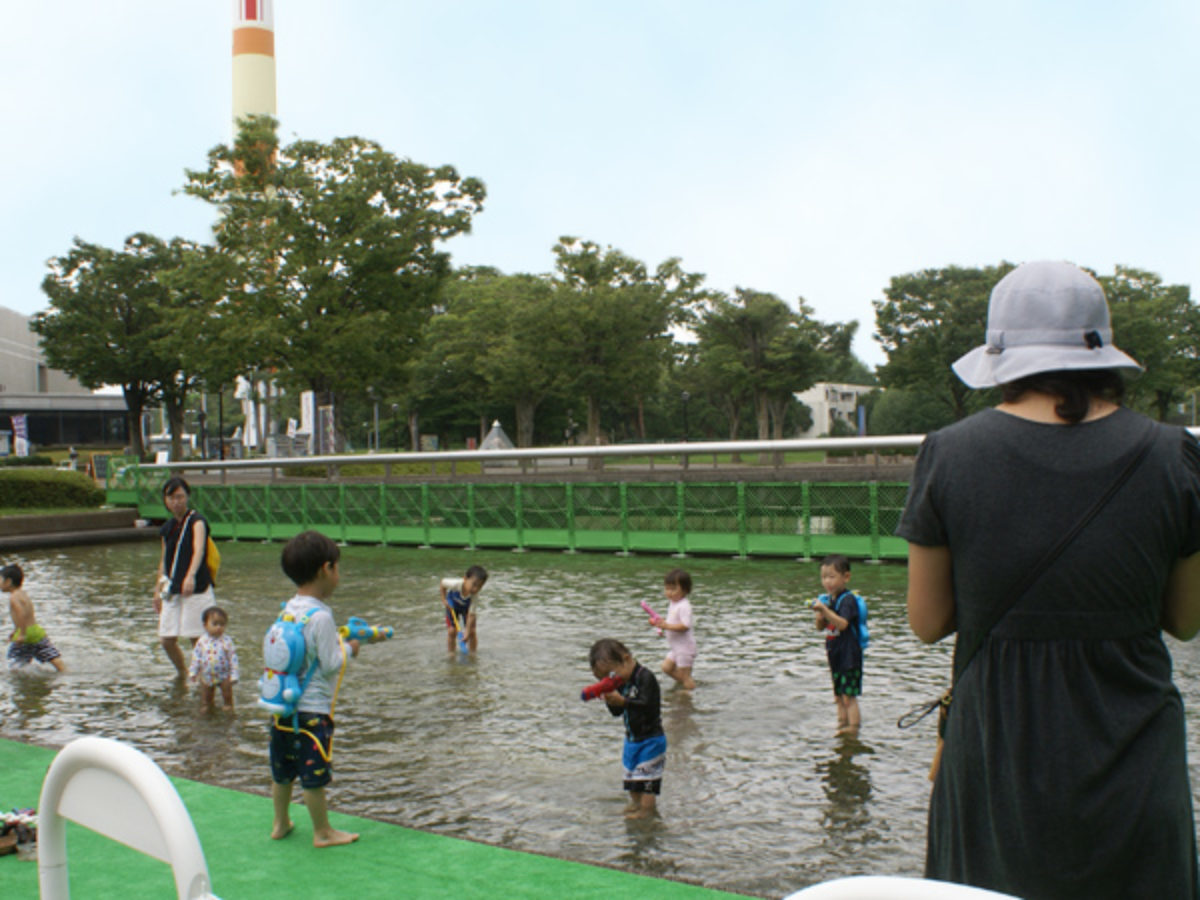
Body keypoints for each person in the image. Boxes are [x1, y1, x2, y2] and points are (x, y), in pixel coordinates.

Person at [896, 260, 1200, 898]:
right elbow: (1185, 618)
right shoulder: (1176, 456)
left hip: (998, 747)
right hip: (1134, 750)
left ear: (1001, 355)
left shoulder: (950, 453)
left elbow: (926, 623)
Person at [269, 530, 376, 848]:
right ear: (325, 569)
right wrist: (352, 647)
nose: (338, 575)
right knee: (313, 775)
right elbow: (331, 663)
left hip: (282, 707)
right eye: (337, 568)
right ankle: (323, 832)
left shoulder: (287, 609)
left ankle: (280, 822)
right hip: (313, 711)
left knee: (283, 771)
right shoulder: (322, 616)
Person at [588, 638, 666, 819]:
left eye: (612, 675)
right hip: (631, 739)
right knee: (632, 780)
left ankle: (647, 812)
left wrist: (623, 701)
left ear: (627, 658)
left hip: (651, 739)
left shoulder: (646, 678)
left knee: (647, 782)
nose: (611, 680)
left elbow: (648, 704)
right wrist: (611, 700)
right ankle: (636, 805)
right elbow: (617, 712)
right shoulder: (621, 683)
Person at [153, 476, 214, 678]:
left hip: (196, 587)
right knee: (166, 639)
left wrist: (190, 575)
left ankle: (205, 677)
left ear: (187, 497)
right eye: (171, 498)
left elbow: (199, 550)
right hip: (172, 587)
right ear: (165, 500)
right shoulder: (167, 528)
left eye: (179, 497)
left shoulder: (197, 521)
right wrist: (157, 590)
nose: (176, 502)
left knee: (196, 637)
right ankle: (183, 672)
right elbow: (164, 561)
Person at [812, 554, 861, 735]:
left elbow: (843, 624)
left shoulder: (848, 600)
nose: (827, 582)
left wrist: (825, 610)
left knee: (849, 697)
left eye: (832, 577)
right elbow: (820, 628)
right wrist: (820, 616)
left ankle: (853, 731)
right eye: (824, 577)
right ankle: (842, 726)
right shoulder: (829, 600)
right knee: (838, 697)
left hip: (849, 656)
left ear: (846, 577)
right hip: (835, 655)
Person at [3, 564, 66, 672]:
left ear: (8, 582)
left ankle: (23, 677)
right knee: (51, 655)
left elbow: (21, 614)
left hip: (25, 634)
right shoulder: (23, 594)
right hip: (36, 631)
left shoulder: (13, 597)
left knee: (13, 663)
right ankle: (64, 671)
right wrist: (15, 630)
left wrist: (22, 634)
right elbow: (28, 614)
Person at [646, 568, 696, 689]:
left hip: (685, 648)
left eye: (673, 589)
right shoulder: (673, 604)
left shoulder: (684, 606)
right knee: (666, 668)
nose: (669, 592)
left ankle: (688, 692)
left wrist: (667, 626)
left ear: (685, 590)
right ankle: (688, 685)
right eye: (667, 588)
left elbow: (685, 626)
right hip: (676, 647)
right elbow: (671, 622)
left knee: (685, 676)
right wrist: (660, 623)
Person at [189, 606, 238, 711]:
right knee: (206, 695)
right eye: (215, 624)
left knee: (227, 693)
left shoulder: (227, 641)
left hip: (224, 674)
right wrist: (193, 672)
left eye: (222, 624)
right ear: (205, 626)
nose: (219, 627)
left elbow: (233, 658)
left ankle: (228, 705)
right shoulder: (202, 641)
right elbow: (196, 657)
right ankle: (207, 706)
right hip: (207, 675)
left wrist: (234, 675)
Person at [440, 565, 487, 653]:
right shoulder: (455, 584)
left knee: (472, 632)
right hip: (452, 606)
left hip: (467, 610)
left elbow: (471, 615)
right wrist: (443, 599)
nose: (475, 589)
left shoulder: (474, 596)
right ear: (465, 579)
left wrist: (467, 632)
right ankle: (451, 654)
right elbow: (443, 583)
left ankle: (473, 654)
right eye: (474, 584)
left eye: (480, 587)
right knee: (452, 631)